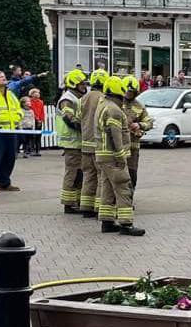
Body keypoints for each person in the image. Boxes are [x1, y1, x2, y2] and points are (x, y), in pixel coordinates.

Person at [94, 73, 145, 236]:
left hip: (102, 155)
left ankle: (107, 222)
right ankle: (126, 224)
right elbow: (115, 134)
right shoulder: (114, 110)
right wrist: (121, 156)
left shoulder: (103, 105)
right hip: (112, 156)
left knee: (108, 188)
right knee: (124, 187)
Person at [56, 69, 88, 214]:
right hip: (72, 143)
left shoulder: (78, 97)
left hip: (79, 143)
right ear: (73, 84)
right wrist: (86, 127)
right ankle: (68, 204)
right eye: (81, 84)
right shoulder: (67, 99)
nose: (84, 86)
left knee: (80, 173)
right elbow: (69, 118)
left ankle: (76, 200)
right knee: (73, 173)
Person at [78, 69, 109, 218]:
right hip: (98, 144)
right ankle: (99, 207)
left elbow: (78, 118)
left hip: (85, 145)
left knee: (88, 176)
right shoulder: (103, 98)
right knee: (101, 176)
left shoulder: (83, 98)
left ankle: (86, 207)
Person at [122, 75, 153, 196]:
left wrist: (140, 125)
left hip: (133, 148)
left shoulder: (139, 106)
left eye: (133, 92)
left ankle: (129, 196)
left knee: (131, 174)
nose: (130, 94)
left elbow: (149, 122)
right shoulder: (117, 104)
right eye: (128, 91)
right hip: (118, 147)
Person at [26, 88, 45, 157]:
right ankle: (30, 150)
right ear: (32, 94)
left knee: (38, 136)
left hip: (39, 121)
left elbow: (42, 112)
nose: (37, 94)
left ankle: (38, 150)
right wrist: (37, 119)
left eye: (38, 93)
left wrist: (41, 120)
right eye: (35, 93)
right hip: (32, 120)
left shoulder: (41, 102)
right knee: (31, 136)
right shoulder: (30, 102)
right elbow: (32, 110)